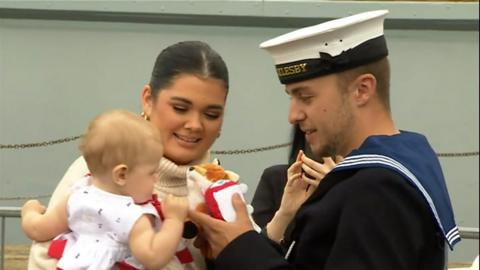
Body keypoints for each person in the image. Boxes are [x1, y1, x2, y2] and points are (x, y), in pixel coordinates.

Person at [189, 10, 460, 270]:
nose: (293, 115)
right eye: (292, 98)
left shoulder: (375, 188)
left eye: (306, 97)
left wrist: (240, 246)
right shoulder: (408, 157)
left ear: (362, 90)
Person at [27, 40, 230, 270]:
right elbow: (42, 255)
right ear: (148, 100)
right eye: (180, 108)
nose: (195, 125)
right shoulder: (98, 168)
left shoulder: (220, 190)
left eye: (211, 114)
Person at [22, 109, 190, 269]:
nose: (155, 178)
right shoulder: (134, 217)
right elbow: (153, 257)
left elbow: (38, 229)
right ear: (121, 175)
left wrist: (30, 210)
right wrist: (174, 220)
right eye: (151, 173)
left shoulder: (77, 197)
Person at [251, 125, 338, 246]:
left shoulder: (361, 184)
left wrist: (340, 189)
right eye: (309, 131)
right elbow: (255, 255)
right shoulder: (278, 178)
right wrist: (285, 214)